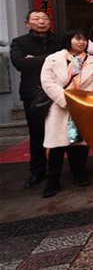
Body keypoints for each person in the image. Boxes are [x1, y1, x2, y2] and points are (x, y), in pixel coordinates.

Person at [40, 29, 93, 197]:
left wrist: (79, 99)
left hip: (81, 105)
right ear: (68, 40)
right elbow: (47, 82)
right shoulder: (53, 59)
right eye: (77, 39)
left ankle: (79, 175)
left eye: (84, 40)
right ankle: (53, 181)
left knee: (79, 143)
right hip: (59, 106)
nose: (81, 42)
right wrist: (65, 99)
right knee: (56, 145)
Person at [10, 10, 61, 189]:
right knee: (37, 135)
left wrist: (34, 60)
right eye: (36, 19)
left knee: (58, 133)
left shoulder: (59, 41)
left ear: (50, 22)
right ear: (27, 23)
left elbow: (68, 61)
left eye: (45, 18)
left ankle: (57, 172)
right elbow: (19, 64)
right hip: (33, 95)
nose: (41, 21)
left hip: (58, 93)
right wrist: (51, 59)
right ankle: (37, 172)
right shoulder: (19, 42)